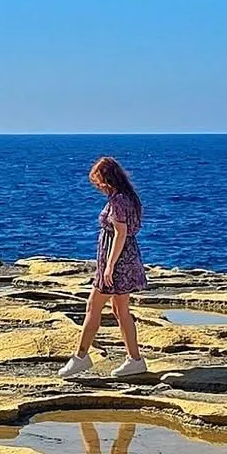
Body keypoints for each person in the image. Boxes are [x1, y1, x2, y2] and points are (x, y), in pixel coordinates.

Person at [59, 157, 148, 378]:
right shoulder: (129, 198)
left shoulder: (118, 201)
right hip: (126, 259)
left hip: (117, 262)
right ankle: (135, 359)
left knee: (93, 306)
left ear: (107, 179)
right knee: (120, 310)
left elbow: (120, 233)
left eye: (98, 181)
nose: (97, 186)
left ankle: (80, 357)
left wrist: (109, 267)